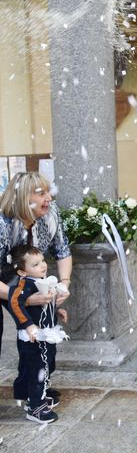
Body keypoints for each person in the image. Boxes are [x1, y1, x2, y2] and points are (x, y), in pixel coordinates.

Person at [0, 172, 71, 401]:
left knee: (40, 335)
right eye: (41, 193)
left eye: (48, 191)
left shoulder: (51, 213)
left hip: (26, 283)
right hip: (4, 280)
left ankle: (32, 387)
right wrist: (21, 298)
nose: (48, 198)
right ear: (23, 196)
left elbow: (62, 250)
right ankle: (32, 389)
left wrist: (63, 284)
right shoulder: (2, 221)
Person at [4, 245, 68, 424]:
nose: (43, 265)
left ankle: (39, 394)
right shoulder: (24, 285)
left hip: (47, 333)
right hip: (33, 337)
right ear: (22, 272)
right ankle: (35, 406)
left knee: (48, 364)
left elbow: (44, 306)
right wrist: (28, 326)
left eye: (42, 261)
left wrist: (58, 311)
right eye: (36, 264)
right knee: (36, 369)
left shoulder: (43, 281)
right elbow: (15, 304)